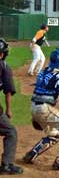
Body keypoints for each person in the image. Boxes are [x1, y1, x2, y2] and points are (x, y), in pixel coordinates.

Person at [0, 39, 23, 175]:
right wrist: (8, 110)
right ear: (2, 55)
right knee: (11, 132)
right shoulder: (4, 67)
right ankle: (7, 165)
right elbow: (8, 92)